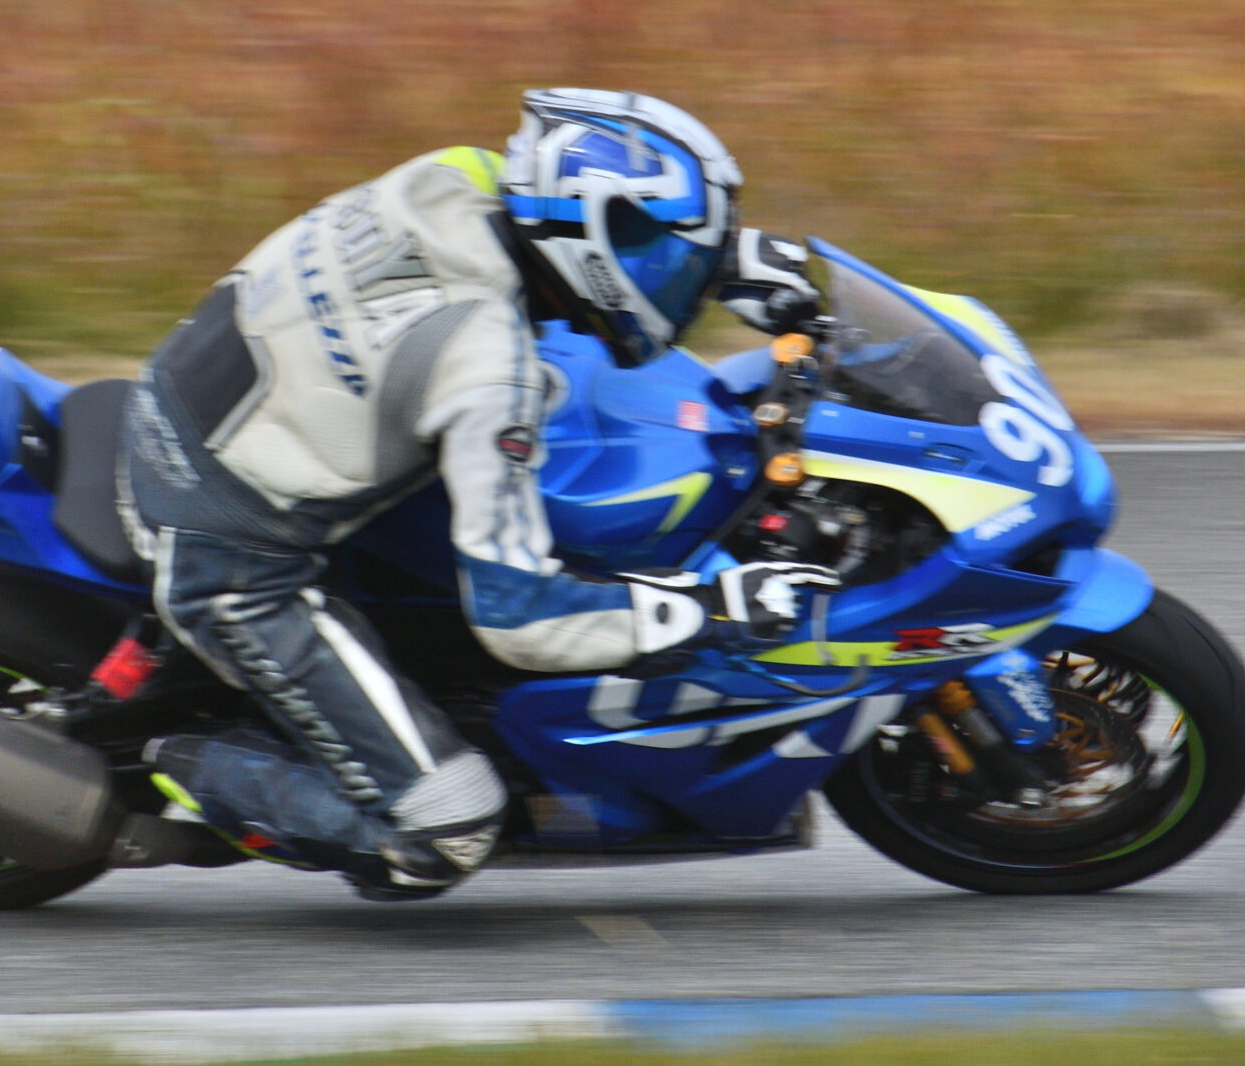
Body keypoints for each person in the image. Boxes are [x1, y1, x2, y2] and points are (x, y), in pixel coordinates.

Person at [121, 88, 836, 898]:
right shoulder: (488, 371)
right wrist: (709, 608)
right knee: (449, 826)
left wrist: (723, 259)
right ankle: (177, 758)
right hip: (228, 554)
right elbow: (517, 616)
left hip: (206, 388)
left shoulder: (461, 175)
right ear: (594, 242)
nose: (675, 278)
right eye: (667, 258)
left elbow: (572, 233)